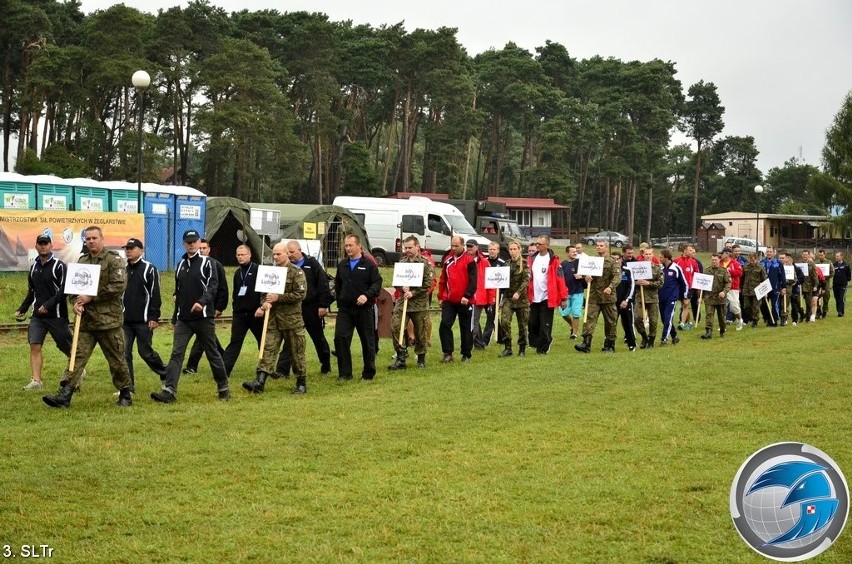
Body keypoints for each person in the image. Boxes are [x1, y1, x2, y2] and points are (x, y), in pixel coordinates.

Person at [43, 226, 132, 408]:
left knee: (116, 359)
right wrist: (76, 302)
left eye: (94, 238)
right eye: (88, 238)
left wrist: (92, 297)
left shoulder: (113, 260)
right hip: (86, 322)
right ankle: (65, 395)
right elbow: (75, 288)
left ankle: (125, 394)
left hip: (108, 321)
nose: (91, 241)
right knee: (76, 357)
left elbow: (118, 286)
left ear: (102, 239)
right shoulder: (82, 261)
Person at [151, 230, 230, 403]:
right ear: (184, 244)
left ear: (199, 243)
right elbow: (178, 292)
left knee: (212, 353)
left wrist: (202, 302)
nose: (192, 244)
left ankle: (223, 388)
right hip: (183, 320)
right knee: (176, 354)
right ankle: (169, 391)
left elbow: (213, 286)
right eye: (189, 242)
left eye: (195, 241)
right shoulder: (180, 265)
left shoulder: (208, 263)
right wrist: (175, 316)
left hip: (203, 318)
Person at [242, 242, 308, 394]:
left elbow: (300, 294)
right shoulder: (270, 272)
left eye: (279, 254)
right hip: (273, 320)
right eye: (274, 254)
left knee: (296, 352)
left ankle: (301, 383)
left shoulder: (296, 272)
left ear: (287, 254)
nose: (276, 257)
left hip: (291, 321)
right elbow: (264, 293)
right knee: (268, 350)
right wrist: (264, 303)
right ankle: (259, 382)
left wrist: (279, 298)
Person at [16, 233, 73, 391]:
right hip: (37, 317)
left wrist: (48, 304)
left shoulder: (59, 266)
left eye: (45, 243)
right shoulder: (33, 267)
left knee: (67, 347)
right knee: (34, 345)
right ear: (36, 246)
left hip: (56, 315)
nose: (43, 246)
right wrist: (22, 308)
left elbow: (65, 290)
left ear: (51, 246)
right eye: (40, 243)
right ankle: (36, 381)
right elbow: (31, 291)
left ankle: (77, 368)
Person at [275, 241, 335, 377]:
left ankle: (326, 364)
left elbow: (322, 283)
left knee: (318, 338)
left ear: (299, 250)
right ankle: (282, 370)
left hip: (312, 307)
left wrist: (323, 305)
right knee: (290, 338)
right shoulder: (286, 267)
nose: (290, 255)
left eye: (292, 252)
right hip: (294, 308)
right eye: (288, 252)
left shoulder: (311, 263)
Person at [334, 234, 383, 381]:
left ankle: (368, 373)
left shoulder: (368, 265)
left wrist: (367, 295)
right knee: (340, 338)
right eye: (346, 245)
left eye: (351, 245)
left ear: (359, 246)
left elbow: (377, 284)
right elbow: (338, 285)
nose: (348, 248)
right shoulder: (342, 265)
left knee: (367, 341)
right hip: (345, 310)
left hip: (364, 310)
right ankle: (345, 373)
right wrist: (341, 300)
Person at [122, 237, 167, 393]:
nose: (128, 250)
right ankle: (128, 387)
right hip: (125, 321)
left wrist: (154, 317)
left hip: (144, 320)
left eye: (131, 248)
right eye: (126, 248)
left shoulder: (150, 269)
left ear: (141, 250)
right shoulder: (123, 269)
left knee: (145, 352)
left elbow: (155, 294)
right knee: (124, 353)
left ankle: (165, 373)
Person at [388, 236, 435, 370]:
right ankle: (401, 356)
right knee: (396, 326)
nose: (407, 250)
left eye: (410, 247)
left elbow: (428, 284)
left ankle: (421, 358)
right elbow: (396, 281)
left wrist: (413, 292)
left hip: (419, 304)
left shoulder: (425, 263)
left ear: (417, 247)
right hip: (403, 303)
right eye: (405, 248)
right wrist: (401, 288)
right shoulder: (402, 263)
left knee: (421, 331)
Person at [183, 238, 228, 374]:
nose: (201, 250)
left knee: (203, 338)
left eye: (204, 248)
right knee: (209, 337)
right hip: (192, 309)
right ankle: (225, 358)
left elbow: (222, 288)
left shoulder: (215, 265)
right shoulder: (189, 264)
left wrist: (219, 307)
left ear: (209, 249)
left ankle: (192, 366)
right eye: (200, 248)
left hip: (208, 309)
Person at [221, 245, 264, 376]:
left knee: (263, 342)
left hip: (256, 314)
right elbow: (235, 293)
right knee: (235, 342)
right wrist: (235, 309)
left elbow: (264, 291)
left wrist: (261, 307)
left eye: (243, 254)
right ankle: (223, 371)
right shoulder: (237, 273)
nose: (240, 257)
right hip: (240, 314)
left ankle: (265, 369)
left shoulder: (258, 270)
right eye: (238, 255)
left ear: (249, 255)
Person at [575, 240, 619, 353]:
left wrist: (610, 287)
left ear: (606, 247)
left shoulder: (613, 261)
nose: (598, 247)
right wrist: (586, 276)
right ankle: (586, 343)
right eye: (597, 246)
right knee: (589, 318)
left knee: (610, 321)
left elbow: (617, 277)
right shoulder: (591, 260)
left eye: (601, 246)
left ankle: (609, 344)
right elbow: (584, 273)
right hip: (594, 295)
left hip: (607, 296)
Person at [438, 237, 477, 363]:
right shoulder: (447, 260)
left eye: (456, 246)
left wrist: (467, 295)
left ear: (462, 245)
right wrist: (440, 296)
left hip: (465, 300)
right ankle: (447, 353)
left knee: (465, 327)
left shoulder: (469, 260)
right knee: (444, 324)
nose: (453, 248)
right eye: (452, 246)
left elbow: (473, 281)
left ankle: (466, 354)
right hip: (449, 300)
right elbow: (443, 279)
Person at [527, 236, 567, 355]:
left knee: (545, 324)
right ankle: (536, 342)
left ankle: (543, 348)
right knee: (533, 322)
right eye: (536, 243)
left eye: (540, 244)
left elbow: (560, 279)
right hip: (534, 296)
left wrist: (563, 298)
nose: (537, 245)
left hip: (547, 297)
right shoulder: (531, 259)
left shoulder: (554, 261)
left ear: (547, 245)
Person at [498, 241, 530, 357]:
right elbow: (500, 279)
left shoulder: (525, 264)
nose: (512, 251)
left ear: (519, 249)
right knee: (504, 321)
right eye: (510, 249)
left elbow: (526, 280)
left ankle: (522, 348)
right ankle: (508, 347)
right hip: (508, 298)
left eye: (514, 249)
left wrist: (519, 292)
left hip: (521, 299)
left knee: (523, 325)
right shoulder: (506, 264)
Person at [633, 248, 663, 349]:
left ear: (653, 255)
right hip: (640, 298)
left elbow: (660, 283)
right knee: (637, 318)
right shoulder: (636, 267)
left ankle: (651, 339)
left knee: (653, 321)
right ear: (643, 255)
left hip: (652, 298)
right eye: (646, 254)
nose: (648, 256)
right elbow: (630, 281)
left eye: (650, 254)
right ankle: (644, 337)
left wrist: (648, 283)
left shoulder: (657, 268)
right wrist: (635, 282)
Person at [658, 249, 688, 346]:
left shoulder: (676, 268)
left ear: (666, 258)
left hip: (671, 298)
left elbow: (684, 284)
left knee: (668, 318)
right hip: (661, 297)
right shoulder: (660, 268)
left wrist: (684, 297)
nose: (659, 258)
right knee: (664, 319)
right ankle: (674, 336)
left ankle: (664, 339)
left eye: (661, 257)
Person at [700, 253, 731, 340]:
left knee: (721, 316)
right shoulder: (706, 271)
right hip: (709, 297)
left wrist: (724, 292)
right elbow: (702, 285)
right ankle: (708, 332)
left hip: (720, 298)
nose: (714, 261)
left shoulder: (723, 271)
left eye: (715, 260)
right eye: (712, 260)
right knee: (709, 315)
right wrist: (700, 297)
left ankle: (722, 330)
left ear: (719, 260)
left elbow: (728, 283)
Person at [469, 242, 494, 350]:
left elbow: (490, 281)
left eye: (471, 246)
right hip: (467, 296)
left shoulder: (484, 262)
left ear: (476, 248)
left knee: (473, 320)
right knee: (473, 321)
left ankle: (470, 343)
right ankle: (479, 343)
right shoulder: (464, 259)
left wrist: (490, 298)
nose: (469, 248)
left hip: (479, 296)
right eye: (467, 246)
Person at [612, 252, 637, 351]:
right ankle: (609, 344)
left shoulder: (627, 270)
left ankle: (632, 344)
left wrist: (626, 300)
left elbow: (631, 286)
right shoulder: (609, 271)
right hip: (613, 301)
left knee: (628, 323)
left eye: (617, 259)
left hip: (625, 302)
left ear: (621, 259)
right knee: (611, 323)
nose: (616, 261)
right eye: (613, 259)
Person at [559, 245, 584, 340]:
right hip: (566, 294)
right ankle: (572, 326)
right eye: (572, 251)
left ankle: (574, 334)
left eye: (576, 251)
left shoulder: (580, 263)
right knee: (564, 314)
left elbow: (587, 275)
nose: (575, 253)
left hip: (578, 292)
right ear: (567, 253)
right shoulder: (562, 265)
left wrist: (581, 276)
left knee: (576, 314)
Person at [483, 242, 505, 344]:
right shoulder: (484, 262)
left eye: (494, 249)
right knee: (492, 315)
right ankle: (502, 337)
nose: (492, 251)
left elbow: (505, 279)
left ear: (498, 250)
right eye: (490, 249)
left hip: (497, 293)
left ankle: (485, 339)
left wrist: (503, 294)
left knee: (492, 315)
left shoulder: (502, 263)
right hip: (485, 292)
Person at [674, 244, 701, 329]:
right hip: (679, 287)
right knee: (683, 304)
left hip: (689, 288)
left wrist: (697, 288)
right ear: (684, 250)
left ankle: (682, 324)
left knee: (686, 304)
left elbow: (697, 274)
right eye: (690, 250)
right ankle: (689, 321)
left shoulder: (693, 262)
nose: (692, 252)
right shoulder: (676, 261)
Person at [741, 252, 768, 328]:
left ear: (756, 259)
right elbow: (742, 277)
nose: (752, 261)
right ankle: (751, 316)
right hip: (747, 289)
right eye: (750, 259)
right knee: (746, 306)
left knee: (756, 307)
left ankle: (755, 320)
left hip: (757, 290)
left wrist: (765, 291)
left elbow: (764, 279)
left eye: (754, 259)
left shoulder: (760, 267)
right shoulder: (745, 266)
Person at [759, 246, 784, 326]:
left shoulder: (778, 263)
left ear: (774, 252)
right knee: (763, 304)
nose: (769, 253)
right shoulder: (762, 262)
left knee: (774, 304)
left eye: (770, 252)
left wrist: (783, 287)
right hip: (764, 287)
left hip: (775, 287)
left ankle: (774, 320)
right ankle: (767, 318)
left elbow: (782, 275)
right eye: (767, 252)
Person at [720, 248, 744, 330]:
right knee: (722, 306)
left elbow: (740, 273)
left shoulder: (735, 263)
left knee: (734, 306)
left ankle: (739, 319)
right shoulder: (720, 263)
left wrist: (729, 271)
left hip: (733, 287)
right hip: (722, 287)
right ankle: (723, 325)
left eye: (723, 254)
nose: (721, 255)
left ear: (727, 254)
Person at [800, 250, 820, 322]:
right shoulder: (799, 264)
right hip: (800, 286)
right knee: (798, 302)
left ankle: (808, 316)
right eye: (803, 255)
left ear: (808, 255)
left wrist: (815, 285)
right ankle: (802, 314)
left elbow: (815, 276)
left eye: (806, 255)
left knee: (808, 303)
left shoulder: (812, 264)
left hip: (809, 286)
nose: (805, 256)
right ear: (802, 255)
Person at [815, 249, 835, 318]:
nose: (820, 256)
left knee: (826, 299)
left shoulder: (829, 262)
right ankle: (818, 311)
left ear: (824, 255)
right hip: (818, 283)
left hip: (826, 284)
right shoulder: (816, 263)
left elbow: (832, 272)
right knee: (817, 298)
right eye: (819, 255)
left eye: (822, 255)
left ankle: (825, 312)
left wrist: (825, 277)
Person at [833, 252, 849, 317]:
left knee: (841, 298)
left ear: (841, 257)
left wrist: (844, 280)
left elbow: (848, 275)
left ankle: (841, 312)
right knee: (837, 298)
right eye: (836, 256)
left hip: (843, 285)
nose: (836, 257)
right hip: (835, 285)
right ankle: (838, 310)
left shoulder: (846, 265)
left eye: (838, 256)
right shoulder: (834, 265)